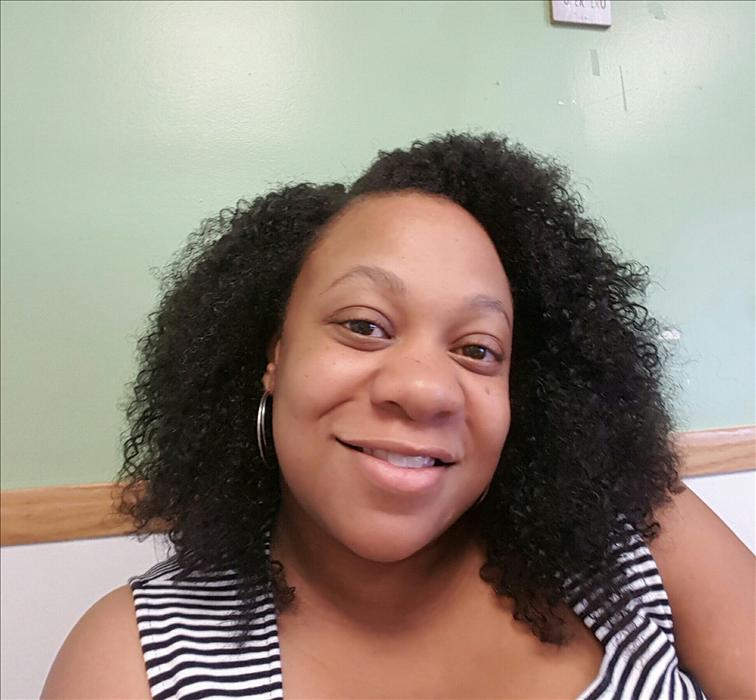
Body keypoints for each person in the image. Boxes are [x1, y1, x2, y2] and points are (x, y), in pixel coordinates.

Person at [43, 133, 754, 699]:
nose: (424, 389)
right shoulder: (133, 669)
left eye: (477, 349)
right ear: (273, 356)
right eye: (363, 325)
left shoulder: (637, 538)